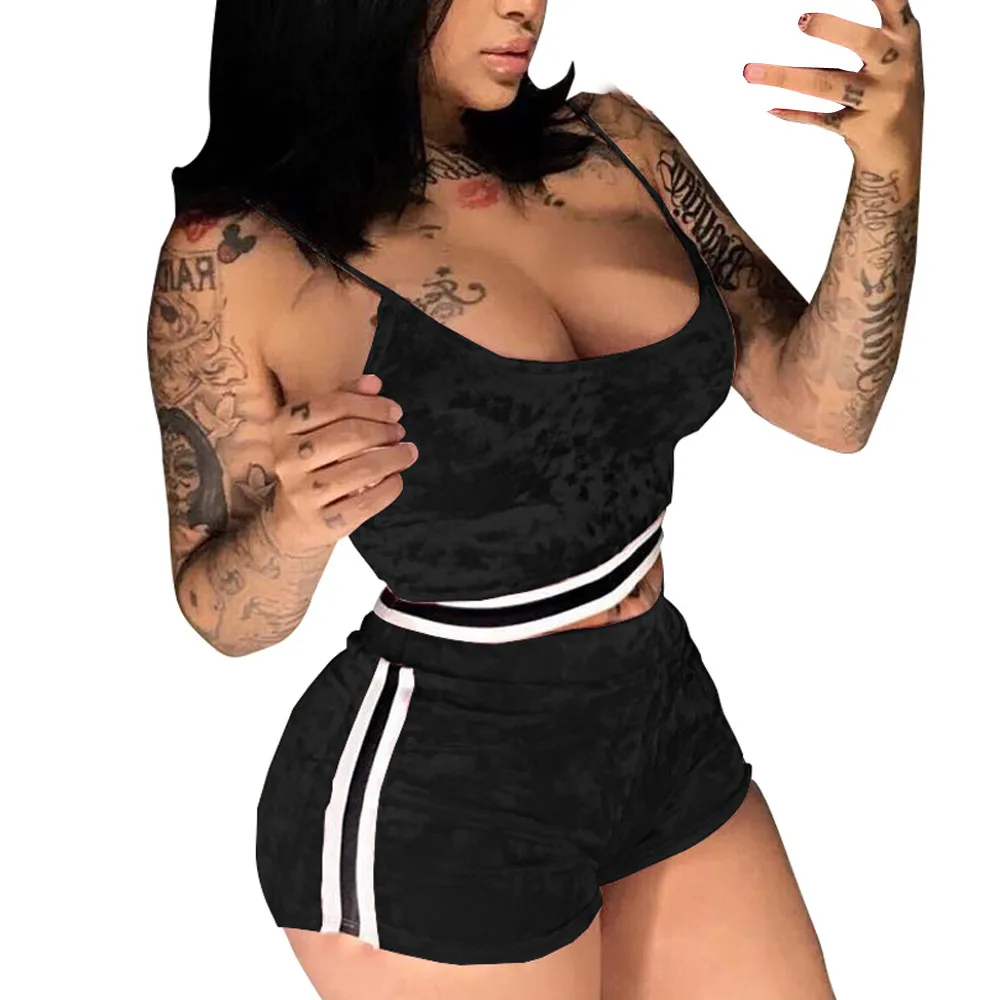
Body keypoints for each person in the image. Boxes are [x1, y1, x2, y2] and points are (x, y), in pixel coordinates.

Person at [150, 1, 922, 997]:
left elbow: (826, 407)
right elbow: (222, 615)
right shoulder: (239, 254)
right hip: (439, 783)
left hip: (659, 718)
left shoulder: (613, 145)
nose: (525, 3)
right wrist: (296, 527)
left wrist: (887, 170)